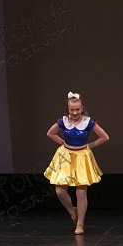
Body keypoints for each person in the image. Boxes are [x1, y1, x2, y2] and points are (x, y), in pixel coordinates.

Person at [44, 91, 110, 235]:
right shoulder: (63, 121)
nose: (75, 113)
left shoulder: (88, 122)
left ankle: (80, 224)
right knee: (60, 190)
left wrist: (89, 146)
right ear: (67, 109)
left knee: (81, 192)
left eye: (77, 109)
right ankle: (73, 213)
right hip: (65, 156)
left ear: (82, 108)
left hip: (81, 157)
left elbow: (105, 137)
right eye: (72, 110)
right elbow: (50, 133)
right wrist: (62, 142)